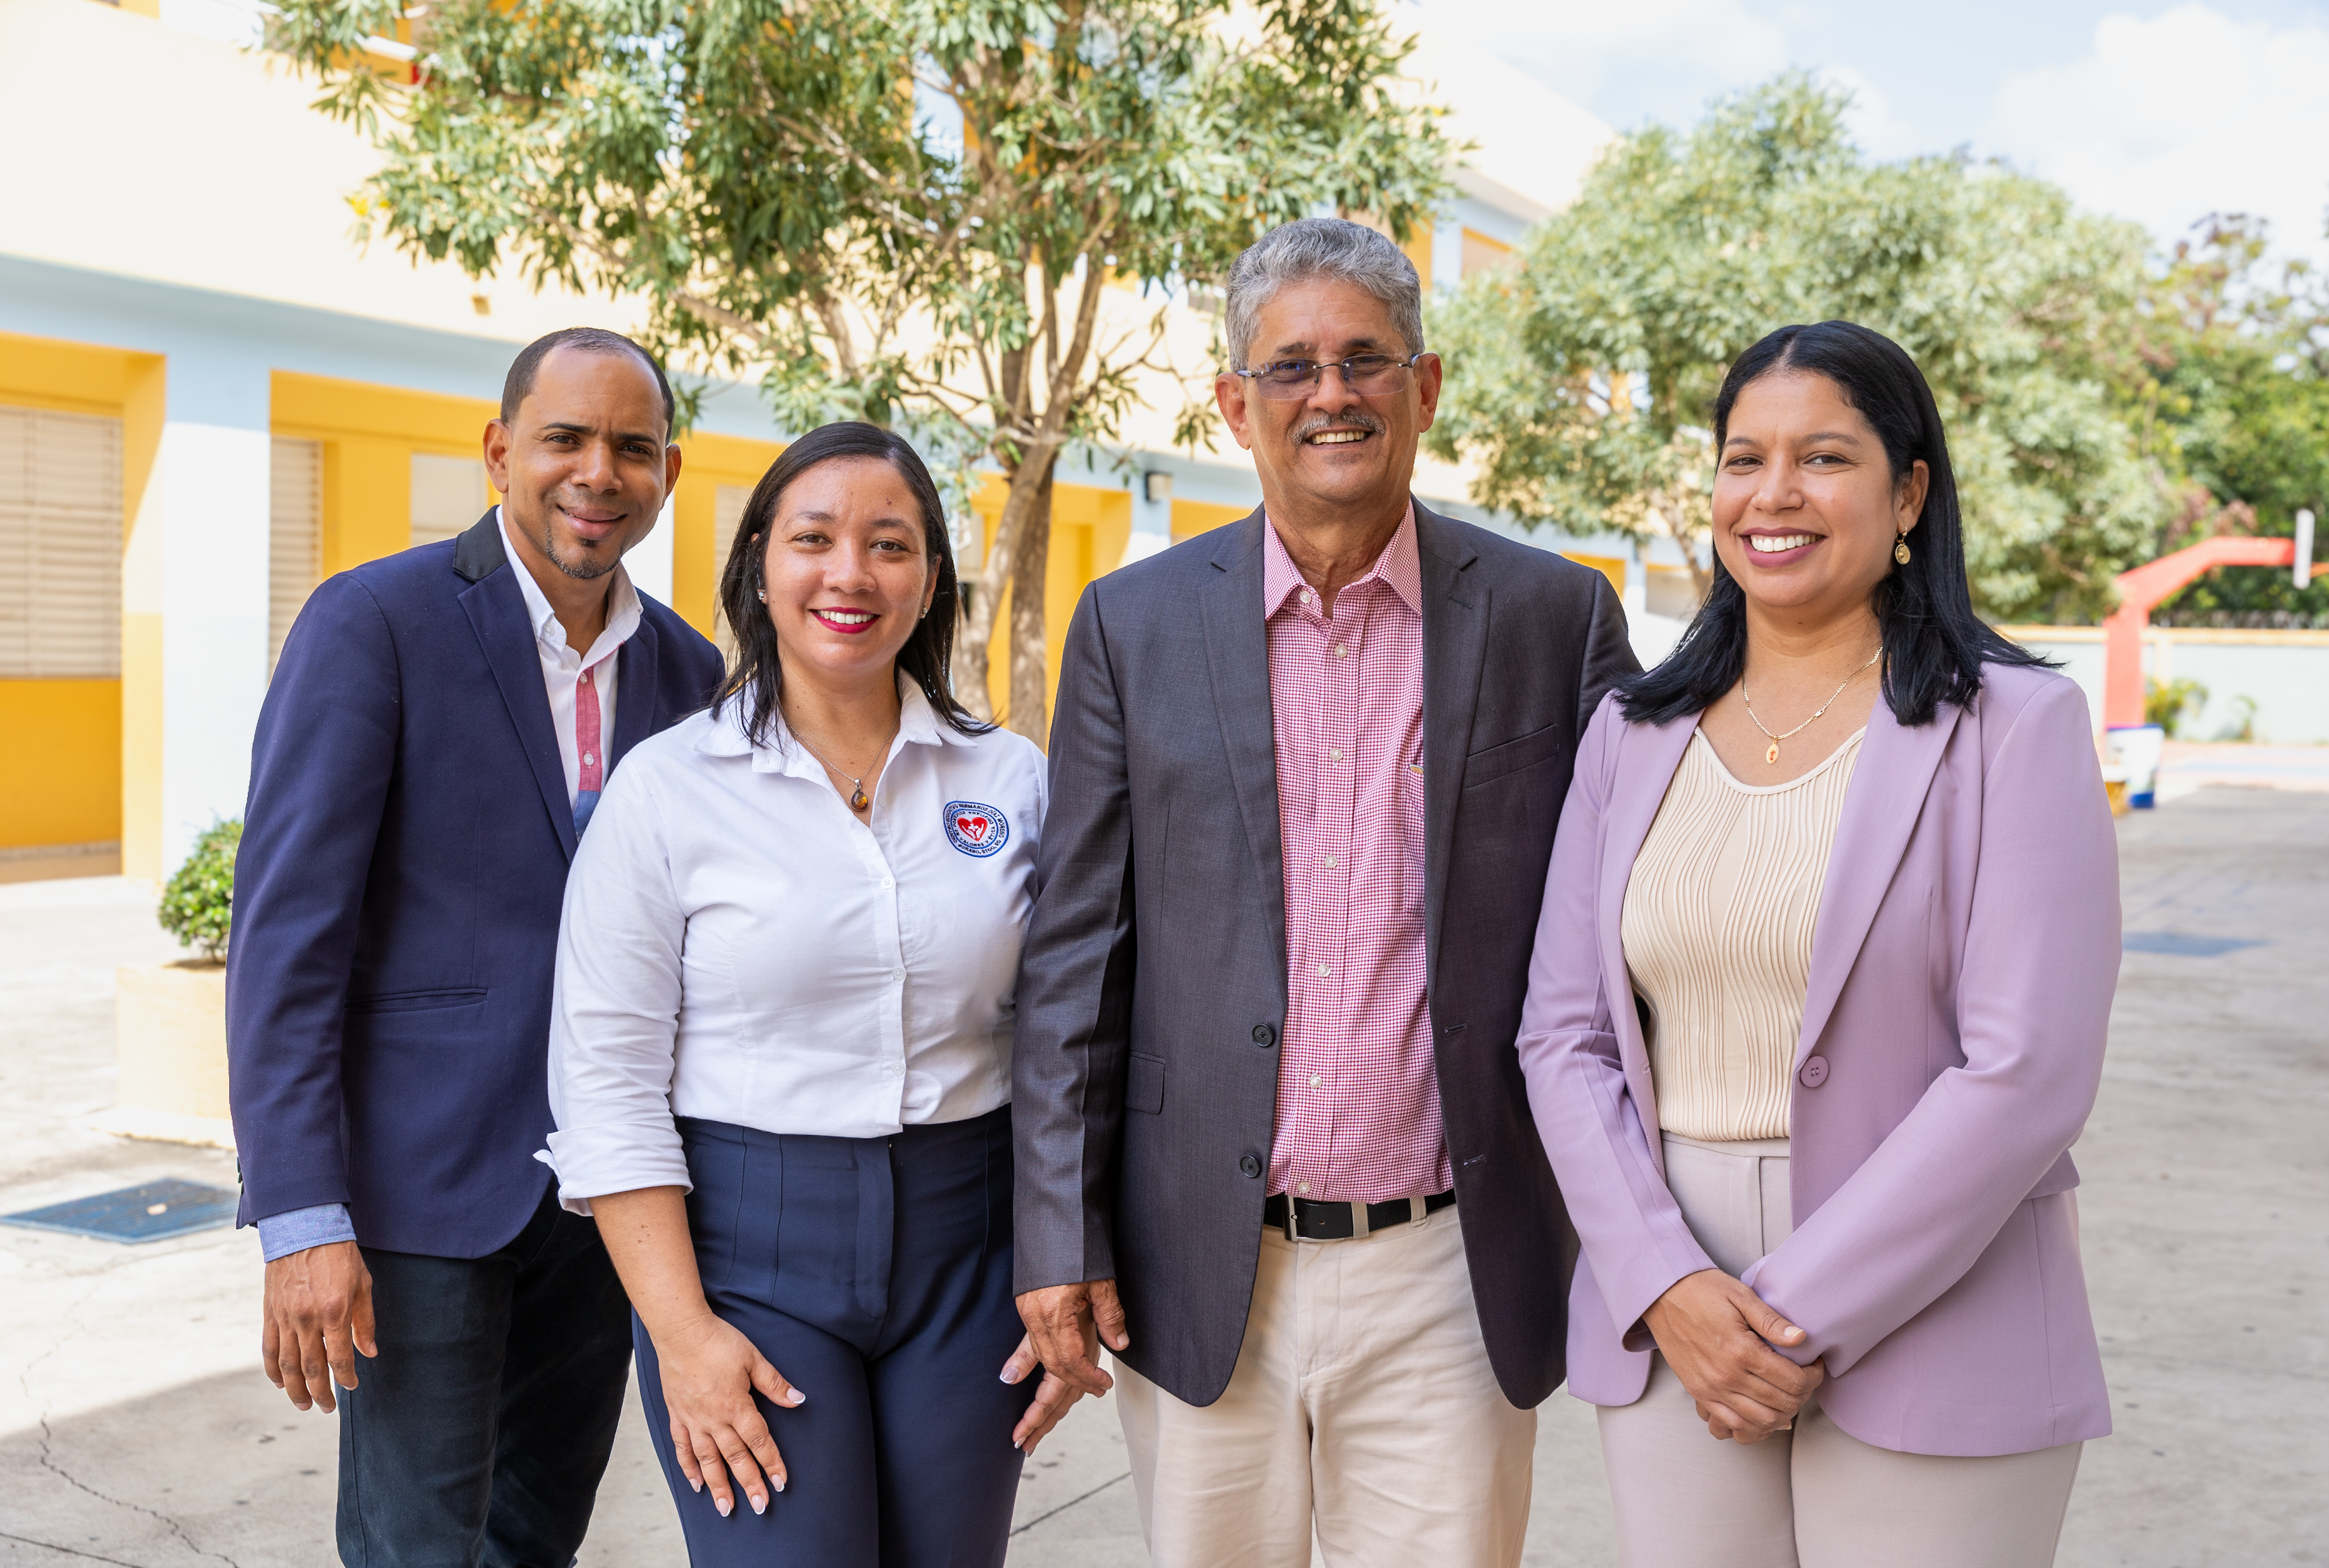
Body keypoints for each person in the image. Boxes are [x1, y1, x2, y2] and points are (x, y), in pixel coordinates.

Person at [1010, 217, 1641, 1567]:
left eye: (1366, 359)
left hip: (1452, 1267)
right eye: (1290, 366)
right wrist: (1056, 1230)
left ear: (1426, 386)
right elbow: (1075, 958)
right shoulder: (1132, 625)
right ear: (1234, 403)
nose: (1331, 393)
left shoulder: (1556, 618)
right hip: (1202, 1261)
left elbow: (1626, 926)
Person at [1516, 320, 2121, 1568]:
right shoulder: (1631, 731)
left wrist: (1784, 1318)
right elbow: (1563, 1035)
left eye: (1825, 457)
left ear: (1910, 494)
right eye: (1745, 458)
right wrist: (1665, 1285)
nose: (1774, 493)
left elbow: (2027, 1072)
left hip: (1939, 1295)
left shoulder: (2017, 725)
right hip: (1675, 1298)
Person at [227, 327, 725, 1565]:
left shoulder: (692, 671)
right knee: (414, 1550)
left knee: (536, 1541)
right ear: (501, 451)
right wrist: (300, 1213)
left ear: (668, 472)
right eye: (565, 438)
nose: (598, 472)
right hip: (421, 1192)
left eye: (632, 447)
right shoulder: (375, 621)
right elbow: (286, 938)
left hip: (609, 1204)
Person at [543, 421, 1069, 1567]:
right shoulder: (668, 788)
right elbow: (606, 1083)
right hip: (748, 1255)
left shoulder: (1013, 779)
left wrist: (1065, 1261)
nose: (851, 573)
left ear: (932, 577)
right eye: (815, 539)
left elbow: (1067, 1042)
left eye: (891, 544)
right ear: (760, 566)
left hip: (971, 1255)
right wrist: (682, 1334)